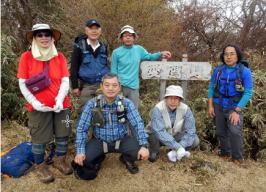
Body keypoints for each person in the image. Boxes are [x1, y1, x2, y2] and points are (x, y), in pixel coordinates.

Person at [17, 24, 72, 183]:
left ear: (52, 38)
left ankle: (59, 160)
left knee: (63, 133)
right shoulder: (26, 57)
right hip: (38, 107)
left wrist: (60, 98)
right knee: (39, 138)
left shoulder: (59, 57)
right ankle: (40, 165)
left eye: (47, 34)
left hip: (61, 105)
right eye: (39, 35)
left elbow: (65, 80)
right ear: (34, 38)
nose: (44, 37)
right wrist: (34, 102)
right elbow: (22, 83)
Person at [73, 73, 149, 180]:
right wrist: (80, 151)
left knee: (139, 152)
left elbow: (138, 124)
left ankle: (126, 158)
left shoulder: (126, 103)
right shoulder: (92, 104)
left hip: (122, 140)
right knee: (85, 159)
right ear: (101, 86)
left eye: (114, 85)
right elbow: (81, 128)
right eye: (107, 85)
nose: (110, 88)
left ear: (119, 87)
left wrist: (144, 145)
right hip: (99, 141)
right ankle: (98, 158)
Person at [208, 43, 253, 167]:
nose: (228, 57)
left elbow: (248, 92)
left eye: (232, 54)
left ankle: (237, 158)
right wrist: (210, 106)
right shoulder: (218, 70)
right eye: (226, 54)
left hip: (235, 106)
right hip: (219, 104)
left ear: (238, 56)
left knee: (234, 131)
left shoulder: (245, 71)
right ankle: (225, 154)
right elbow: (211, 88)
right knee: (221, 131)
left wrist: (237, 111)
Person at [111, 25, 172, 108]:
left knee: (133, 110)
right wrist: (115, 86)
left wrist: (161, 54)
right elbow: (113, 71)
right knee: (118, 111)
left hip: (133, 86)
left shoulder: (139, 49)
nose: (128, 38)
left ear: (134, 37)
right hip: (120, 87)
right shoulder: (116, 52)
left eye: (130, 35)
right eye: (125, 36)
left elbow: (149, 57)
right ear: (121, 38)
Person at [148, 85, 199, 162]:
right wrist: (178, 147)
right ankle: (154, 151)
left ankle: (174, 152)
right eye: (170, 98)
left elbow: (190, 131)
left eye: (176, 98)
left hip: (175, 134)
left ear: (180, 100)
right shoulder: (158, 108)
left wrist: (181, 146)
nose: (173, 101)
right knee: (153, 133)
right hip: (158, 136)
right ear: (165, 99)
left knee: (195, 140)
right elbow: (159, 131)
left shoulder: (186, 109)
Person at [70, 19, 108, 115]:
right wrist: (75, 86)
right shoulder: (79, 46)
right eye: (91, 29)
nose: (94, 31)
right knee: (85, 111)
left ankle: (99, 130)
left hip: (102, 84)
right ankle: (84, 130)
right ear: (86, 31)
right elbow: (74, 67)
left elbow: (105, 65)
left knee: (103, 111)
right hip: (86, 85)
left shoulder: (104, 46)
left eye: (96, 29)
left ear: (100, 31)